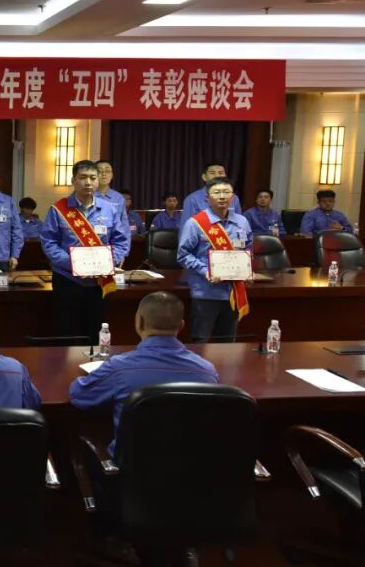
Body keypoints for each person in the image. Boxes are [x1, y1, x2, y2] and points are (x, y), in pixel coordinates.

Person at [69, 291, 218, 456]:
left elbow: (78, 395)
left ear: (139, 322)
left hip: (131, 468)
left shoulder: (119, 368)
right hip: (190, 466)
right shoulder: (206, 372)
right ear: (181, 326)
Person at [40, 160, 130, 342]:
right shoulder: (58, 209)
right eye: (83, 177)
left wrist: (109, 262)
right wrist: (74, 264)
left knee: (96, 332)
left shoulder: (110, 209)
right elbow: (49, 243)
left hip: (99, 282)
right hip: (67, 280)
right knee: (68, 333)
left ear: (98, 181)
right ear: (73, 181)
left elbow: (121, 241)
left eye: (92, 178)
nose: (88, 182)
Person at [177, 178, 253, 343]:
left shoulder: (242, 222)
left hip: (233, 291)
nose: (222, 196)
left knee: (227, 343)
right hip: (206, 292)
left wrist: (247, 270)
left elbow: (248, 249)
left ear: (233, 197)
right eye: (217, 192)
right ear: (207, 197)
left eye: (226, 192)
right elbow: (183, 255)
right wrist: (206, 271)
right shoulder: (195, 223)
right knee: (200, 341)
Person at [94, 159, 128, 233]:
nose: (104, 174)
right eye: (99, 171)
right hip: (90, 237)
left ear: (112, 175)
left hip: (113, 238)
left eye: (107, 171)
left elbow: (124, 225)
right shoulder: (87, 195)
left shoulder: (118, 198)